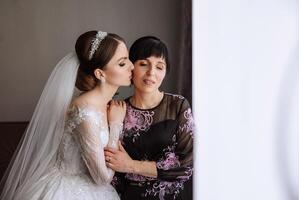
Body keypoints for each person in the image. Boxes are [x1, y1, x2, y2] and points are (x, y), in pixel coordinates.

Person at [0, 30, 134, 200]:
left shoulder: (102, 103)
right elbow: (102, 178)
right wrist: (116, 125)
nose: (132, 66)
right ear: (100, 74)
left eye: (128, 58)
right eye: (122, 63)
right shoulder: (86, 113)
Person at [104, 36, 194, 200]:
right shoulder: (117, 110)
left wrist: (131, 165)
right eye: (144, 64)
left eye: (160, 67)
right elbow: (111, 167)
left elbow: (186, 165)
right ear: (131, 67)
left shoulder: (178, 105)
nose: (151, 72)